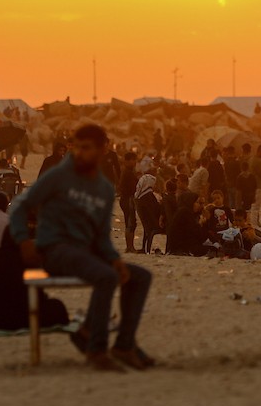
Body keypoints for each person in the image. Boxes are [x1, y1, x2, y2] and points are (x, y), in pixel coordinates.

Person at [8, 124, 155, 372]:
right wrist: (23, 240)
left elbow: (101, 236)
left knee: (140, 276)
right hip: (55, 250)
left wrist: (114, 258)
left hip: (87, 254)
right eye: (77, 147)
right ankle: (96, 350)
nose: (79, 153)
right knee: (106, 276)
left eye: (86, 148)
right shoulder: (58, 176)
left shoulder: (104, 189)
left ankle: (123, 345)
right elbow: (20, 206)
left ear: (102, 150)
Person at [119, 151, 140, 254]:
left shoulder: (127, 171)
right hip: (128, 199)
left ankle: (130, 246)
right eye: (133, 160)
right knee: (130, 223)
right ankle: (130, 247)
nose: (135, 162)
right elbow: (132, 187)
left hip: (126, 199)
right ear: (127, 161)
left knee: (130, 222)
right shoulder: (128, 172)